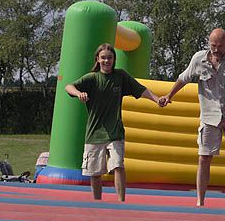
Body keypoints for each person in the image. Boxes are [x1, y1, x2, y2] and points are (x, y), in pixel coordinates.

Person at [159, 28, 225, 208]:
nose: (216, 49)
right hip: (209, 116)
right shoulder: (199, 59)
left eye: (220, 46)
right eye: (213, 45)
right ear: (208, 43)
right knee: (204, 157)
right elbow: (183, 78)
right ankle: (200, 201)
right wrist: (169, 96)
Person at [65, 43, 161, 202]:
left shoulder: (120, 76)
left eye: (110, 58)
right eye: (103, 58)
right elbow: (69, 86)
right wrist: (79, 94)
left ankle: (121, 202)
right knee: (95, 174)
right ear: (98, 59)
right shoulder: (92, 78)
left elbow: (141, 89)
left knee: (118, 166)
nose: (106, 61)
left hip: (115, 132)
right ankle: (97, 203)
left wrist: (157, 99)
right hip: (95, 134)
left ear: (114, 60)